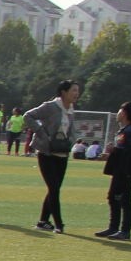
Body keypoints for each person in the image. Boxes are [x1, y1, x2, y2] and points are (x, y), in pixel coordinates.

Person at [21, 79, 80, 233]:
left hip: (62, 153)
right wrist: (41, 133)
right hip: (46, 153)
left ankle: (43, 221)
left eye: (77, 90)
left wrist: (72, 141)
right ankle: (59, 225)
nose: (76, 94)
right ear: (63, 92)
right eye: (73, 90)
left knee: (55, 188)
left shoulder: (71, 108)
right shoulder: (50, 107)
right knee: (54, 189)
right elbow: (28, 116)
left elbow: (72, 129)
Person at [97, 102, 131, 241]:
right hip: (120, 171)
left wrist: (114, 151)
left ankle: (125, 231)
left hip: (125, 172)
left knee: (125, 200)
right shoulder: (125, 130)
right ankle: (113, 228)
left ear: (124, 113)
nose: (118, 112)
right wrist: (112, 154)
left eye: (120, 110)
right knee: (113, 198)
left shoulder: (130, 132)